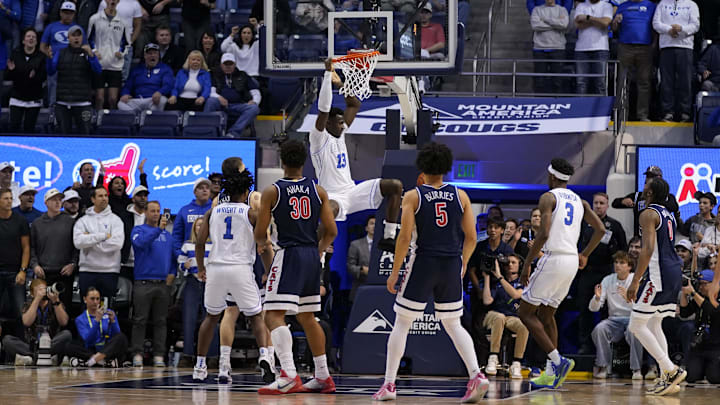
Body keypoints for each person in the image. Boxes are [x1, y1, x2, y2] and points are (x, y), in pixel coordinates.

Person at [373, 142, 488, 402]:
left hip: (423, 261)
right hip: (450, 263)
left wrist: (394, 272)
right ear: (446, 168)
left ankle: (389, 385)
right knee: (453, 323)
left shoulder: (414, 196)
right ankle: (476, 375)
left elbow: (403, 238)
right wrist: (462, 263)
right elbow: (471, 237)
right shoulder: (461, 196)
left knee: (402, 322)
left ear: (422, 169)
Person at [255, 140, 338, 394]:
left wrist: (267, 256)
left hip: (288, 254)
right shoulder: (318, 190)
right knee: (307, 317)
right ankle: (323, 375)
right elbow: (332, 231)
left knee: (272, 314)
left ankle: (289, 374)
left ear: (282, 162)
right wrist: (318, 250)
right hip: (311, 255)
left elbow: (261, 234)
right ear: (304, 163)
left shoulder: (273, 191)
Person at [517, 158, 606, 389]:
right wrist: (584, 254)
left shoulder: (548, 197)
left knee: (525, 313)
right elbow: (601, 229)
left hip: (553, 258)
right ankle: (551, 373)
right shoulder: (580, 201)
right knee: (547, 315)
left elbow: (544, 233)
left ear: (552, 176)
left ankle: (558, 361)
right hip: (571, 261)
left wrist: (527, 263)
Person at [192, 165, 273, 383]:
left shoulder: (212, 211)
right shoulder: (251, 213)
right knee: (256, 316)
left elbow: (199, 242)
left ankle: (200, 366)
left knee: (211, 317)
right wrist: (270, 271)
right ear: (246, 192)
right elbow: (262, 244)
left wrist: (201, 268)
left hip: (216, 268)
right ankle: (265, 356)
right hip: (240, 269)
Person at [312, 59, 403, 252]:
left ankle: (388, 236)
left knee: (394, 186)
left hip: (352, 191)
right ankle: (316, 254)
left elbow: (354, 104)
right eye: (338, 122)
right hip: (332, 195)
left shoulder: (341, 132)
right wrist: (328, 75)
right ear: (328, 124)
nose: (342, 124)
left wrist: (339, 83)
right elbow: (324, 109)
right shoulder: (319, 138)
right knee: (331, 211)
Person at [625, 177, 687, 395]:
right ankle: (666, 377)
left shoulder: (648, 214)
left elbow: (648, 249)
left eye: (645, 187)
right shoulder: (668, 213)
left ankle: (670, 369)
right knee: (653, 324)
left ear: (650, 193)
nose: (642, 190)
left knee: (636, 324)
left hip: (658, 273)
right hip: (672, 271)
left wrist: (635, 280)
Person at [577, 192, 628, 354]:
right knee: (585, 309)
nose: (598, 206)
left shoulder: (615, 225)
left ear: (607, 205)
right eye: (596, 203)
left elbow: (623, 250)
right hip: (586, 272)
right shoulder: (583, 224)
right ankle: (585, 345)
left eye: (601, 203)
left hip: (606, 273)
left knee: (606, 309)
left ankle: (607, 346)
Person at [130, 201, 174, 368]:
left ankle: (159, 355)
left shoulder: (167, 235)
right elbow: (141, 244)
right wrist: (158, 230)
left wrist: (172, 273)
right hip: (143, 282)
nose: (156, 214)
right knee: (140, 320)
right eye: (152, 211)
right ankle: (137, 353)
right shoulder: (138, 230)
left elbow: (172, 256)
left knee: (161, 321)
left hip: (162, 283)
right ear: (146, 213)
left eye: (158, 211)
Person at [590, 251, 644, 380]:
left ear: (629, 266)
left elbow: (641, 307)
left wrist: (628, 299)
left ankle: (636, 369)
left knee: (635, 332)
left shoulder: (635, 280)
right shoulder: (608, 280)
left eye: (622, 263)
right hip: (614, 320)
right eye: (616, 262)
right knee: (600, 329)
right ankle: (603, 366)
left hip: (633, 318)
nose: (618, 265)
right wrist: (597, 299)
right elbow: (593, 308)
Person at [177, 216, 218, 366]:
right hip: (192, 283)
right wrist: (184, 266)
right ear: (194, 228)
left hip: (210, 283)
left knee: (211, 318)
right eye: (198, 226)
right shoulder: (188, 245)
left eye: (203, 225)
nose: (200, 228)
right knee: (189, 319)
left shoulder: (215, 244)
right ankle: (187, 355)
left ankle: (212, 356)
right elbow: (180, 263)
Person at [1, 279, 72, 365]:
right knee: (7, 340)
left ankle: (33, 358)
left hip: (51, 344)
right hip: (31, 346)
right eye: (39, 290)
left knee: (66, 334)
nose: (43, 292)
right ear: (32, 293)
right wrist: (37, 300)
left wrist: (56, 301)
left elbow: (64, 322)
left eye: (44, 289)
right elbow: (27, 322)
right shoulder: (28, 304)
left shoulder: (55, 302)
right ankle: (39, 356)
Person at [481, 254, 528, 379]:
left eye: (513, 262)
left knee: (524, 326)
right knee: (499, 317)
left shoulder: (523, 283)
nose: (510, 265)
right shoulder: (496, 282)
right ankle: (493, 356)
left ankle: (516, 363)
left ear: (520, 266)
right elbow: (487, 301)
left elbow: (516, 295)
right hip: (494, 315)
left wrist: (500, 277)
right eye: (508, 263)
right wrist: (487, 278)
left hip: (512, 317)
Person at [48, 25, 102, 135]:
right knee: (63, 136)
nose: (76, 38)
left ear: (82, 38)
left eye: (79, 35)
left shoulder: (88, 53)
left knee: (84, 136)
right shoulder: (60, 53)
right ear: (68, 37)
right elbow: (51, 71)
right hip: (63, 102)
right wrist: (49, 59)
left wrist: (91, 56)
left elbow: (98, 71)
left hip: (83, 103)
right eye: (73, 35)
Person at [30, 188, 77, 310]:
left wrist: (73, 263)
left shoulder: (71, 222)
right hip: (44, 273)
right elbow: (31, 247)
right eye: (53, 199)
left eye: (59, 200)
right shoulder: (37, 223)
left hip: (64, 273)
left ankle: (63, 330)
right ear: (46, 202)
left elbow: (77, 247)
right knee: (43, 308)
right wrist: (35, 265)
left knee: (63, 308)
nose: (57, 202)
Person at [72, 186, 124, 299]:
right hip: (87, 270)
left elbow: (117, 244)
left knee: (106, 309)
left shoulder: (116, 220)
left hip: (110, 271)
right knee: (86, 308)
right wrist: (103, 236)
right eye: (100, 196)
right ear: (93, 199)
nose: (104, 198)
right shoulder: (83, 221)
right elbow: (78, 242)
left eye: (106, 196)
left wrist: (90, 240)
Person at [653, 0, 700, 122]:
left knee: (685, 80)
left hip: (685, 47)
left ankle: (685, 112)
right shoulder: (662, 3)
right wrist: (669, 29)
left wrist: (681, 29)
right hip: (666, 47)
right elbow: (656, 23)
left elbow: (695, 25)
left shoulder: (691, 4)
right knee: (666, 81)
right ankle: (667, 112)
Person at [612, 0, 657, 121]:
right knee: (622, 81)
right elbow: (614, 28)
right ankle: (621, 116)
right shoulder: (622, 6)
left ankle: (642, 115)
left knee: (644, 83)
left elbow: (656, 27)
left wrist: (654, 46)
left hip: (645, 48)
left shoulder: (651, 6)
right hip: (625, 47)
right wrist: (615, 22)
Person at [612, 165, 680, 237]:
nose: (649, 179)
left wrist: (652, 200)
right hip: (640, 238)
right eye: (648, 176)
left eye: (652, 177)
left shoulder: (668, 197)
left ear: (660, 179)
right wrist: (623, 201)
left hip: (660, 238)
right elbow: (615, 203)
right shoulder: (638, 196)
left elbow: (674, 207)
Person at [204, 53, 261, 137]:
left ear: (234, 65)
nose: (228, 66)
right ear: (221, 65)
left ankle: (233, 133)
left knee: (254, 108)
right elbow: (211, 92)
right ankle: (208, 132)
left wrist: (255, 101)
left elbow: (255, 91)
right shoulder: (214, 74)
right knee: (211, 101)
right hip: (221, 104)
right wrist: (219, 97)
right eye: (225, 64)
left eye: (230, 64)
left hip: (238, 105)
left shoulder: (243, 75)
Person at [87, 0, 131, 109]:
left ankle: (112, 122)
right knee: (99, 98)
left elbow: (126, 43)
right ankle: (97, 122)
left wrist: (121, 53)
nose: (113, 1)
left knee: (113, 99)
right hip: (99, 65)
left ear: (118, 1)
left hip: (115, 65)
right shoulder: (94, 19)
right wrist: (94, 51)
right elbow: (89, 39)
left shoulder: (123, 21)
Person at [70, 287, 128, 366]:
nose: (95, 302)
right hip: (91, 349)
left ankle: (94, 360)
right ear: (85, 299)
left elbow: (116, 336)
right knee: (69, 344)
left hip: (106, 348)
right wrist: (97, 321)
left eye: (98, 299)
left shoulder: (109, 313)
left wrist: (113, 322)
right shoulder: (80, 319)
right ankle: (104, 361)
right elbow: (88, 340)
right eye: (92, 299)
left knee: (122, 337)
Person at [679, 270, 720, 384]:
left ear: (714, 284)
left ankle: (710, 369)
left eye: (704, 284)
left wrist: (693, 293)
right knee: (691, 377)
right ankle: (704, 369)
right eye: (699, 284)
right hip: (699, 346)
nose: (701, 287)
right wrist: (684, 293)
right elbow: (684, 313)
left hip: (716, 347)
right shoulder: (699, 297)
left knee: (715, 379)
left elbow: (713, 311)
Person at [0, 188, 30, 335]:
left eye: (11, 198)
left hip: (15, 272)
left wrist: (23, 270)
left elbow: (26, 248)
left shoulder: (20, 221)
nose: (9, 201)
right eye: (5, 198)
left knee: (20, 311)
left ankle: (21, 349)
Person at [6, 28, 47, 133]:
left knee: (29, 129)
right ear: (23, 40)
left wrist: (34, 77)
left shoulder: (41, 57)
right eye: (28, 36)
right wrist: (13, 71)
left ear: (37, 41)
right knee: (14, 127)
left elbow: (43, 77)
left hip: (34, 98)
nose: (31, 38)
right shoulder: (15, 54)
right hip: (17, 97)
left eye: (33, 37)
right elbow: (9, 75)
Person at [40, 1, 78, 106]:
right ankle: (52, 114)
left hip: (72, 66)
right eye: (65, 12)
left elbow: (83, 46)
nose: (67, 15)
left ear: (74, 14)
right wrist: (48, 53)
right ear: (60, 12)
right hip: (54, 64)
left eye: (70, 12)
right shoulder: (51, 27)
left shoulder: (77, 29)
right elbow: (42, 46)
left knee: (71, 92)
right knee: (53, 90)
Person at [118, 43, 174, 112]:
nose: (152, 55)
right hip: (138, 100)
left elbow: (168, 85)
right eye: (149, 53)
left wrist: (160, 92)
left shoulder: (165, 69)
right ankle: (135, 117)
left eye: (155, 53)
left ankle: (150, 119)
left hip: (153, 100)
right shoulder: (137, 70)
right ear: (145, 56)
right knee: (121, 103)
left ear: (158, 55)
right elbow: (127, 86)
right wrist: (125, 94)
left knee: (162, 100)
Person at [573, 0, 613, 95]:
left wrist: (587, 18)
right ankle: (581, 108)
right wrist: (598, 21)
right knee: (581, 83)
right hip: (581, 49)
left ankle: (601, 109)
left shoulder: (606, 6)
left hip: (600, 48)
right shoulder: (581, 6)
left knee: (601, 83)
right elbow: (578, 25)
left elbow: (605, 23)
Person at [97, 0, 143, 82]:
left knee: (123, 77)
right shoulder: (105, 2)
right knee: (105, 76)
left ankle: (121, 94)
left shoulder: (134, 3)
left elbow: (138, 26)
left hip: (125, 46)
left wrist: (130, 42)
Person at [530, 0, 569, 95]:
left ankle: (557, 102)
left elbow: (564, 25)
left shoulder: (562, 10)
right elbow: (535, 25)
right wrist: (556, 24)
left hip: (558, 48)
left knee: (557, 81)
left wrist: (545, 19)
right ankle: (539, 102)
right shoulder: (537, 10)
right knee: (539, 80)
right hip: (539, 48)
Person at [172, 178, 213, 266]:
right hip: (190, 260)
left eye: (207, 188)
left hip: (211, 259)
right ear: (195, 192)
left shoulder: (216, 209)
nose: (205, 190)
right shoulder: (184, 210)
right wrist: (180, 256)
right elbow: (177, 236)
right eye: (201, 188)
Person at [347, 215, 374, 303]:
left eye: (377, 224)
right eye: (372, 223)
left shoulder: (384, 245)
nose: (374, 226)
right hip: (361, 287)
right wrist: (362, 269)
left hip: (379, 288)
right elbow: (350, 266)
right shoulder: (356, 244)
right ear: (366, 228)